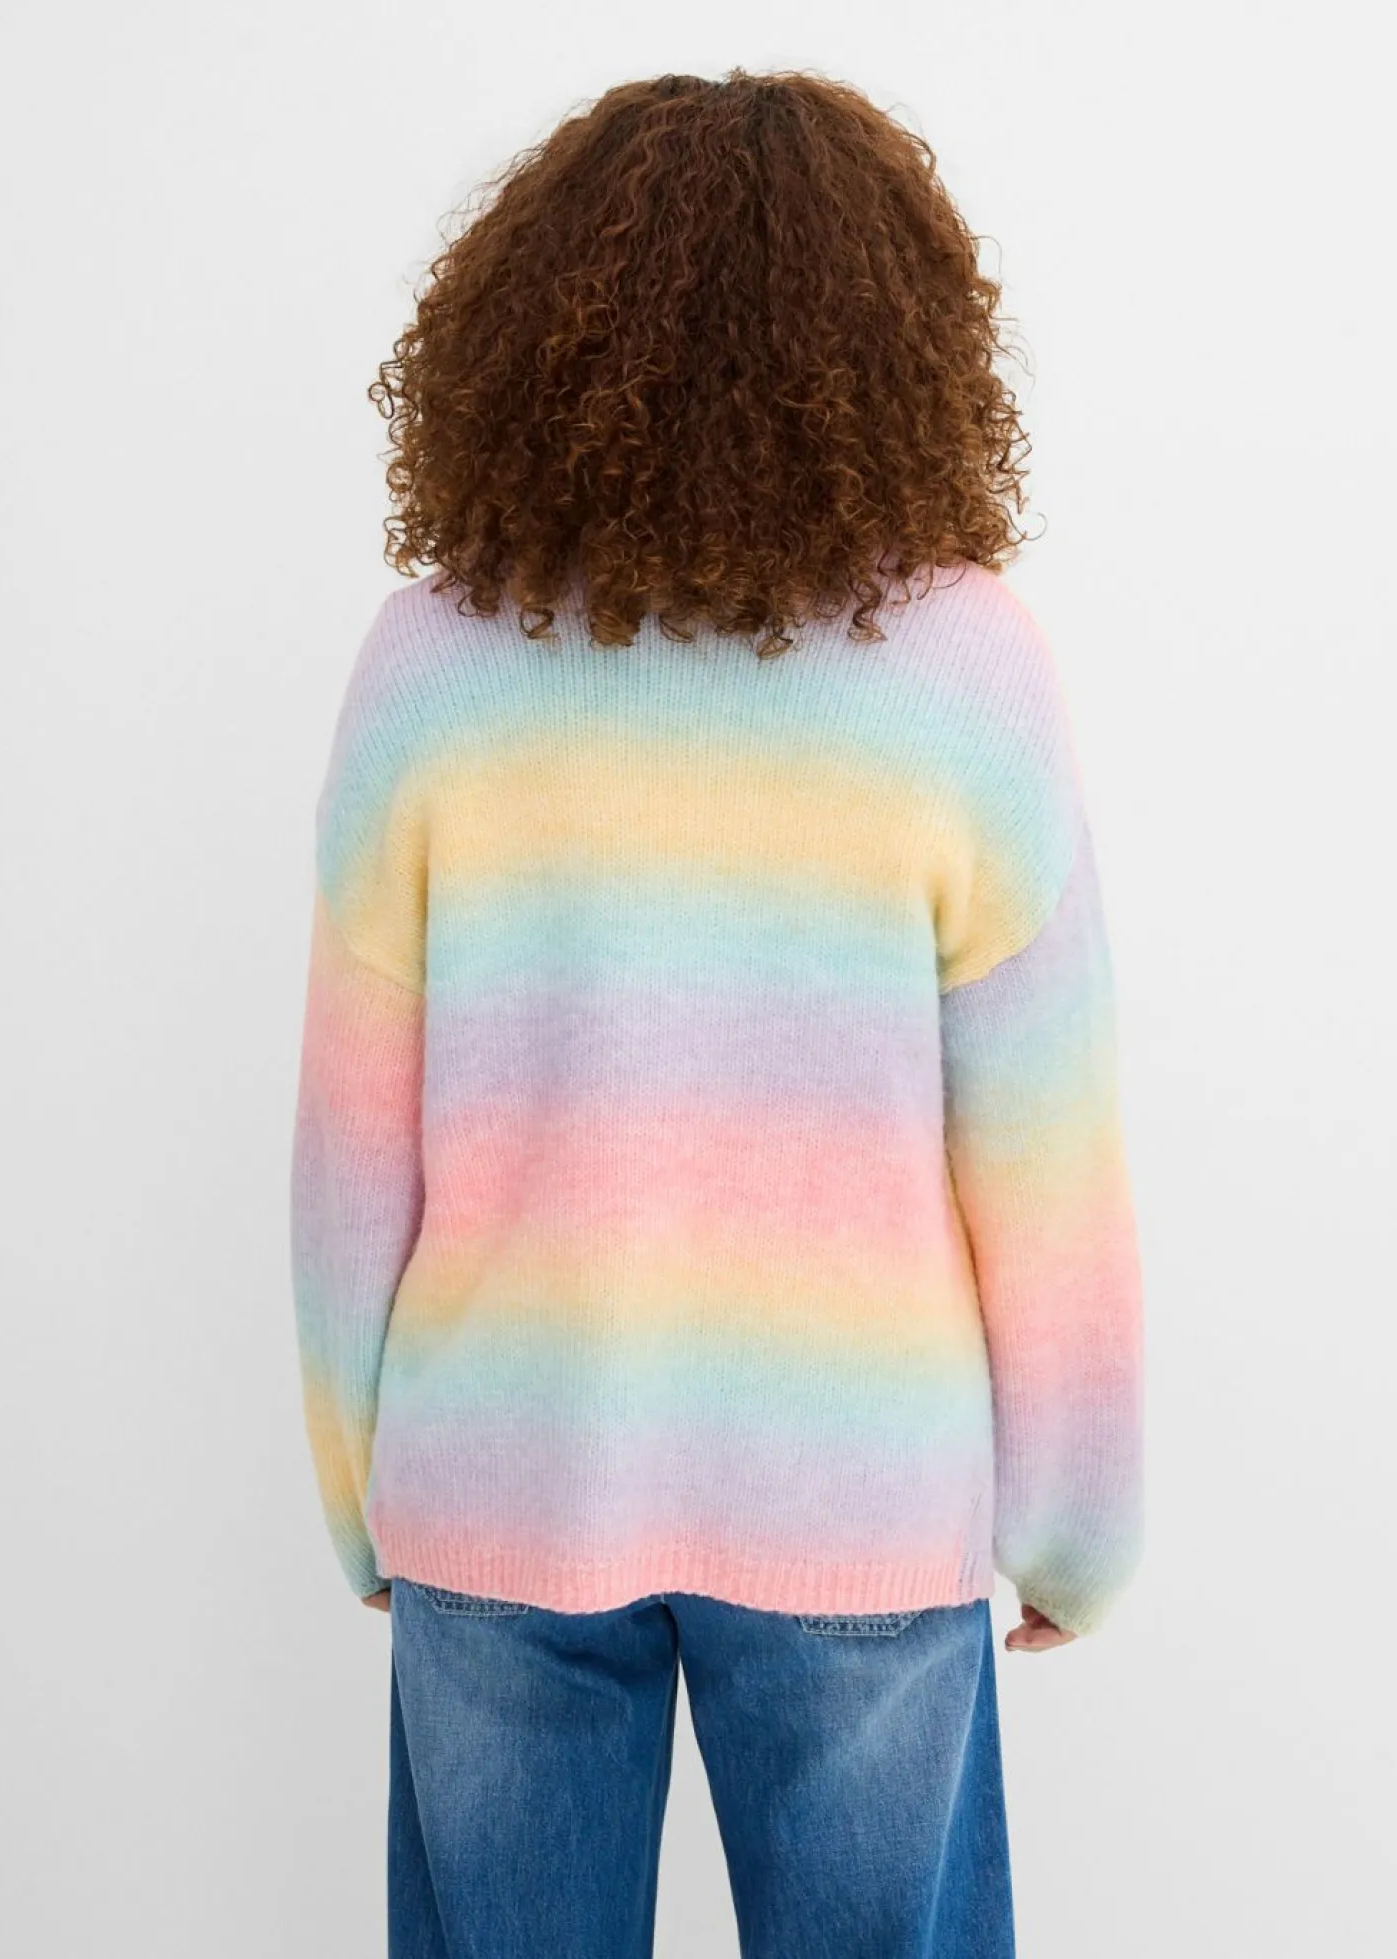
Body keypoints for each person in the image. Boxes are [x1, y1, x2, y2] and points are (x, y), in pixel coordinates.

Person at [289, 67, 1144, 1959]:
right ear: (895, 339)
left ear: (532, 328)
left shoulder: (431, 665)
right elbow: (1046, 1153)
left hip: (498, 1478)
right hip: (860, 1492)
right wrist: (1077, 1518)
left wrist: (363, 1493)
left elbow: (352, 1143)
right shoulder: (966, 671)